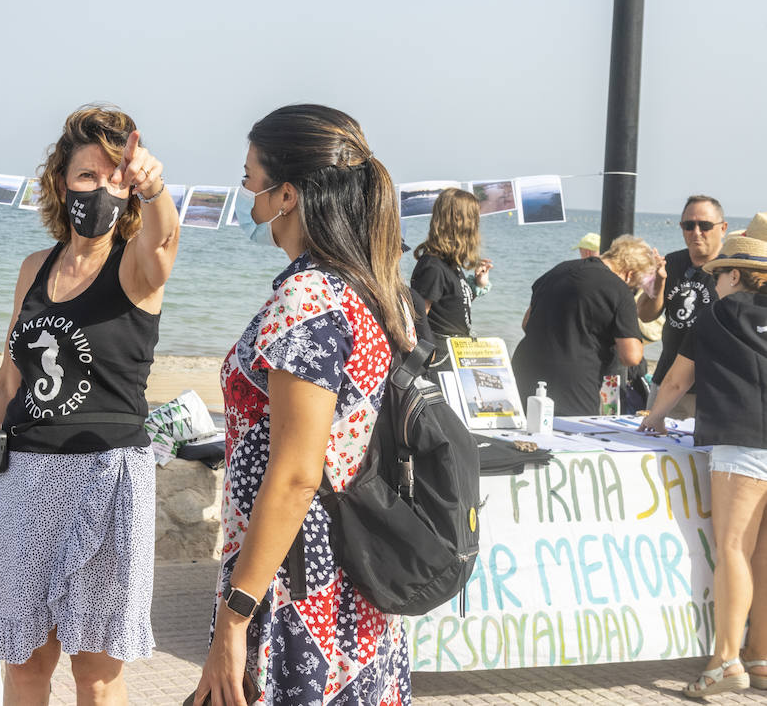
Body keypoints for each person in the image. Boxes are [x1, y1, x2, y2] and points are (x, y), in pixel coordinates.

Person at [0, 105, 179, 704]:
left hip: (107, 477)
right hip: (23, 479)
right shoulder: (33, 269)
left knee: (96, 670)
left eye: (114, 178)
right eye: (87, 177)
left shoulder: (137, 267)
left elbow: (164, 238)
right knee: (24, 660)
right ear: (60, 183)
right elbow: (5, 383)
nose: (101, 189)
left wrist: (156, 188)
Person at [194, 105, 413, 705]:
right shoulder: (370, 286)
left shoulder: (309, 294)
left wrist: (236, 616)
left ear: (285, 194)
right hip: (345, 567)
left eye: (249, 177)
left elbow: (295, 472)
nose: (244, 193)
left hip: (295, 576)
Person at [639, 212, 767, 697]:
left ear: (734, 273)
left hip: (744, 439)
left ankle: (725, 660)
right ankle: (760, 656)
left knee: (733, 548)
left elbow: (676, 379)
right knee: (765, 554)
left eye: (718, 276)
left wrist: (653, 417)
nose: (713, 283)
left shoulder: (716, 314)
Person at [510, 235, 659, 416]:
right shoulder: (619, 289)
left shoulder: (557, 270)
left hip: (524, 370)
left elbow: (526, 324)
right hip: (575, 385)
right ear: (630, 274)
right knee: (572, 440)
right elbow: (631, 357)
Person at [639, 194, 729, 418]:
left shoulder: (730, 269)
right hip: (666, 381)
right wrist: (658, 283)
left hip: (712, 389)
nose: (696, 232)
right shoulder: (672, 262)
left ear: (723, 228)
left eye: (705, 225)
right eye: (689, 225)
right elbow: (645, 315)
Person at [410, 187, 493, 344]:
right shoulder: (433, 266)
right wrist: (428, 356)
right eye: (473, 218)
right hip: (441, 358)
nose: (477, 225)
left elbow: (449, 307)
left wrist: (477, 284)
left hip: (457, 352)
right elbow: (417, 320)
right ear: (459, 222)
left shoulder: (449, 263)